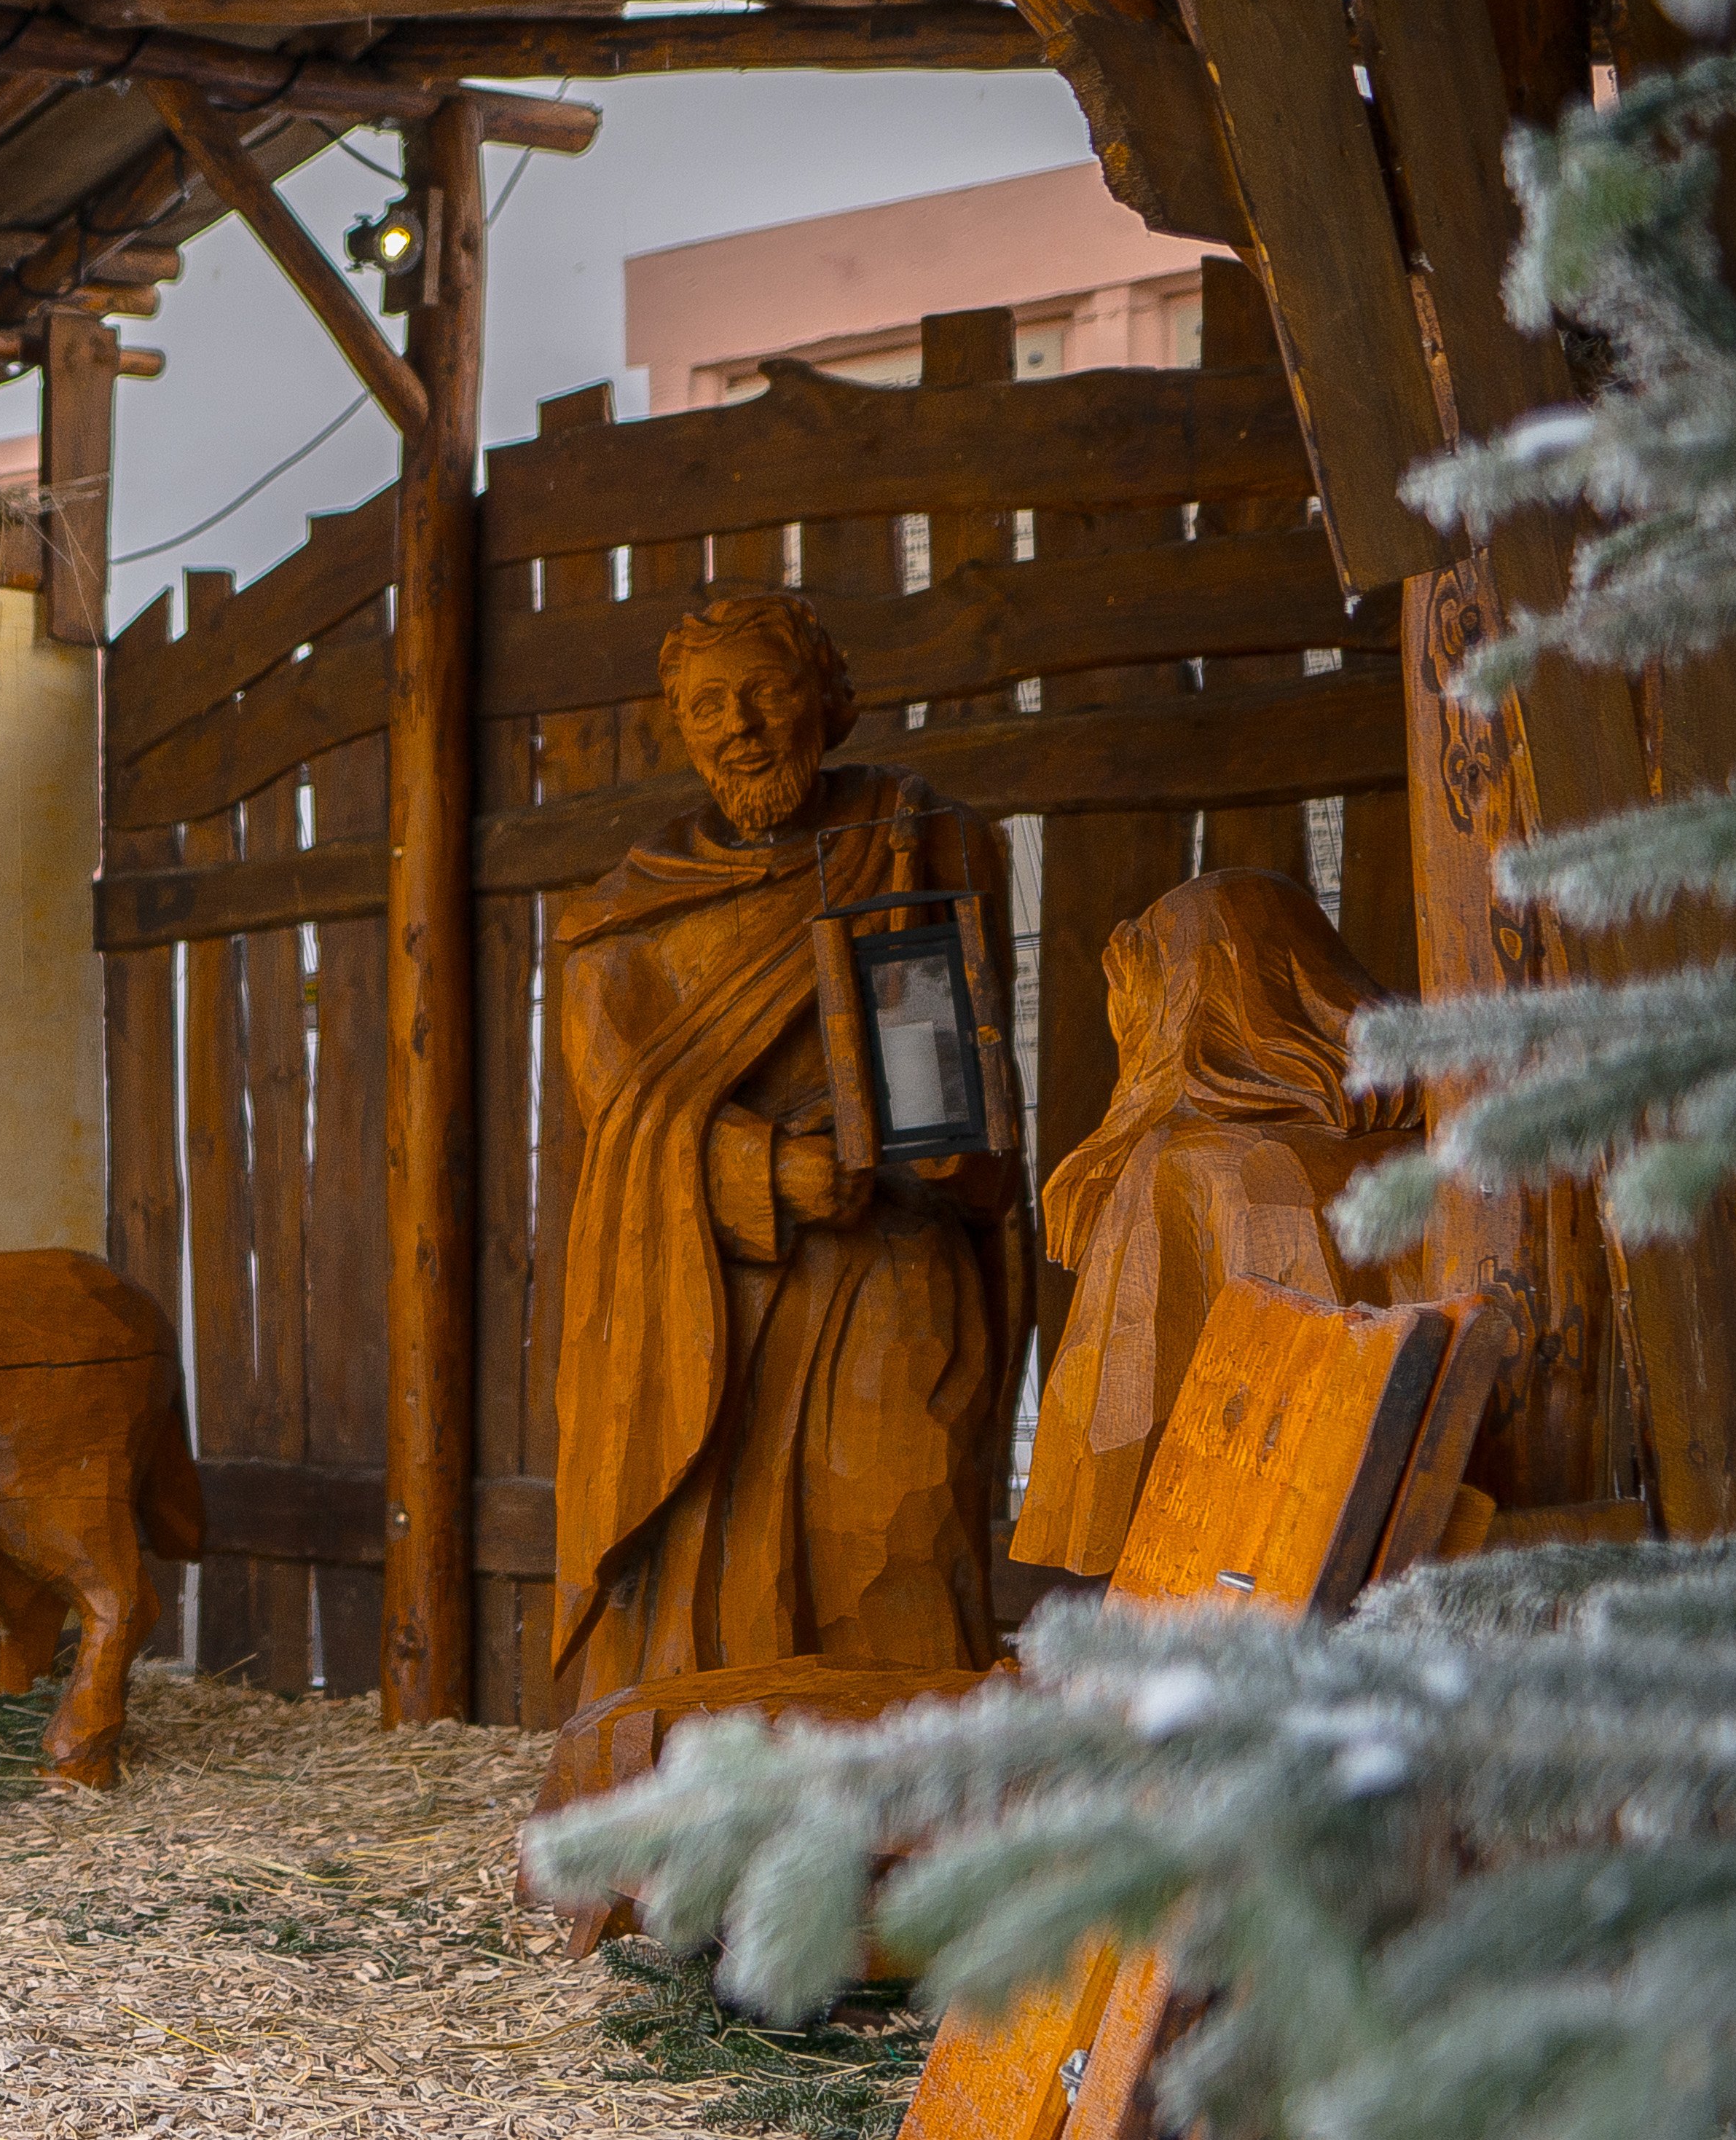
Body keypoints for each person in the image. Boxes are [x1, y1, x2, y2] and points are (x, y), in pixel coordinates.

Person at [544, 591, 1022, 1710]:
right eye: (708, 703)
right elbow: (623, 1131)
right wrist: (765, 1170)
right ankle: (701, 1819)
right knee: (709, 1580)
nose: (741, 725)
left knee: (894, 1536)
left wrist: (933, 1143)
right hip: (712, 1303)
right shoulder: (625, 930)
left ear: (829, 702)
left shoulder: (919, 843)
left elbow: (949, 1077)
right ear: (679, 726)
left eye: (767, 690)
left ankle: (906, 1826)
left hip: (894, 1271)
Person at [1016, 867, 1407, 1576]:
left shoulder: (1180, 1169)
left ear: (1181, 1009)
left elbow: (1118, 1449)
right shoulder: (1418, 1151)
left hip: (1230, 1582)